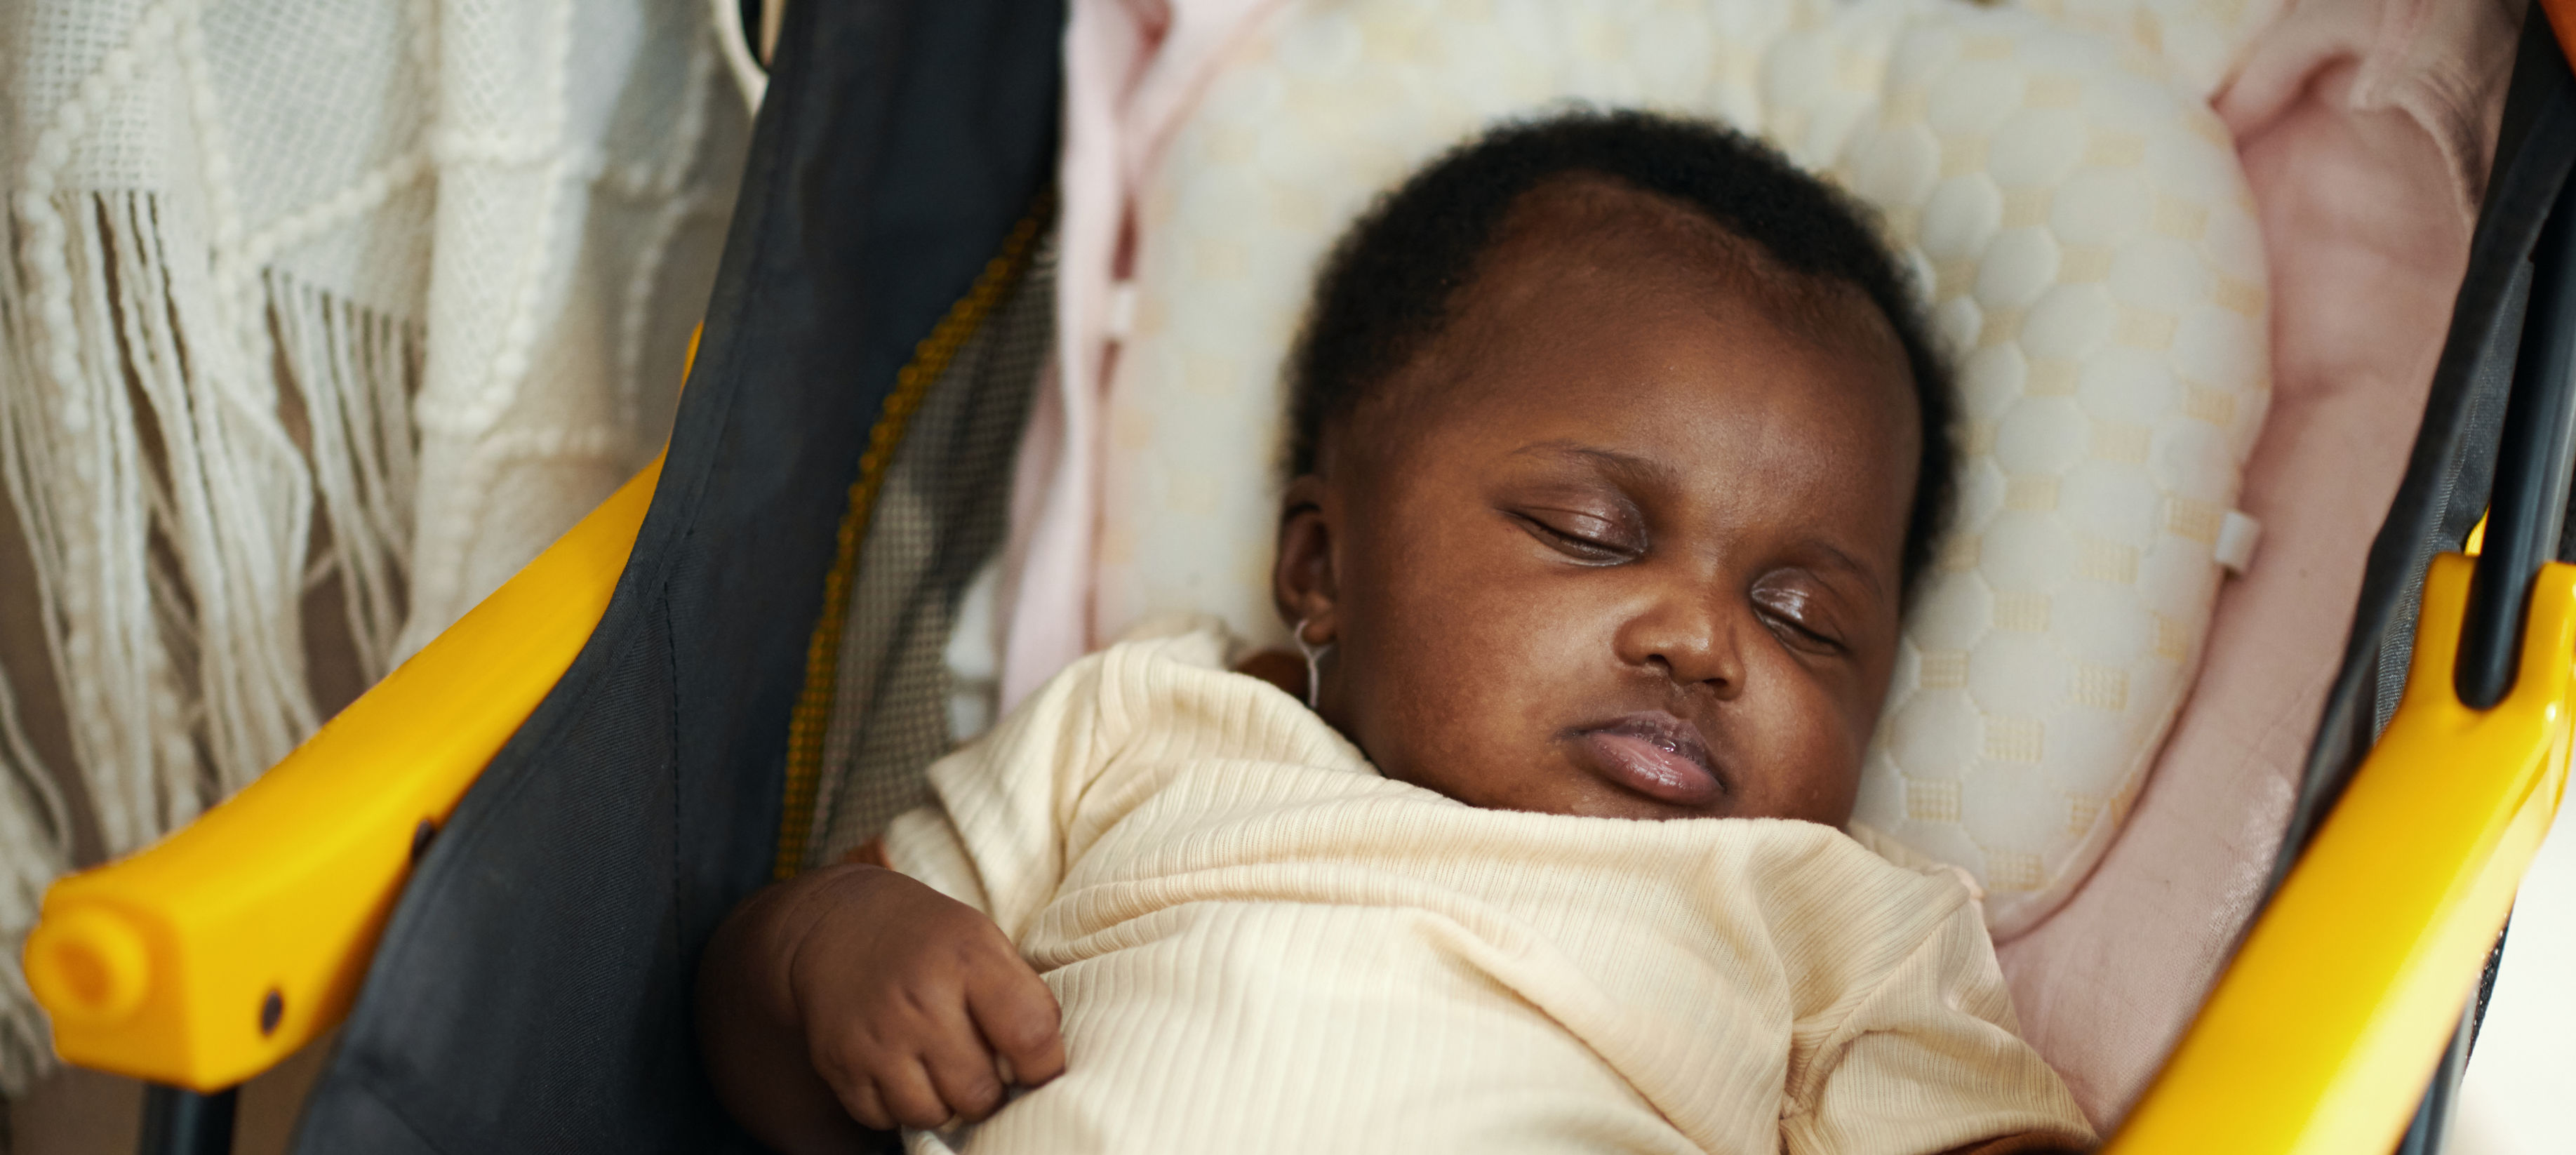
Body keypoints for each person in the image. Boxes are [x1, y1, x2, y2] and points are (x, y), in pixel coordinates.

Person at [695, 110, 2093, 1155]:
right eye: (1591, 531)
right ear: (1322, 566)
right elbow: (767, 1048)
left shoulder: (1831, 910)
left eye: (1805, 619)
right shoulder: (1145, 726)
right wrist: (831, 949)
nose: (1701, 638)